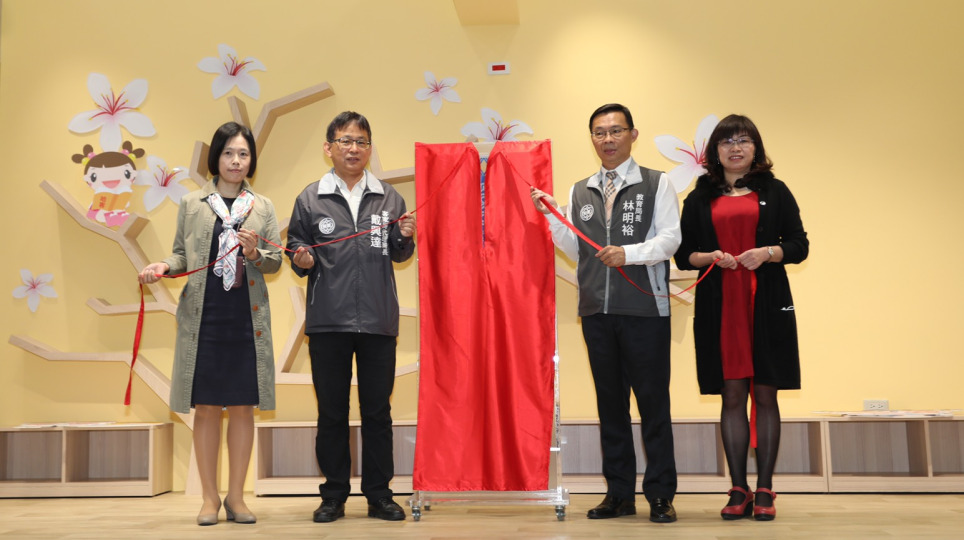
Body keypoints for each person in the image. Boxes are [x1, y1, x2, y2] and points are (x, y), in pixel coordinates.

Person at [530, 103, 680, 522]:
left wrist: (628, 254)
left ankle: (660, 495)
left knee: (653, 405)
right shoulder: (580, 190)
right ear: (592, 138)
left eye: (616, 131)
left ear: (633, 134)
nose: (608, 139)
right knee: (611, 407)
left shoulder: (657, 183)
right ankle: (619, 494)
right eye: (600, 132)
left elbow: (670, 239)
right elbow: (575, 248)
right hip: (597, 310)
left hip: (645, 309)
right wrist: (553, 216)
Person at [138, 122, 282, 526]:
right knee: (205, 409)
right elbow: (182, 255)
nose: (236, 161)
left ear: (252, 160)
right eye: (228, 153)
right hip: (204, 318)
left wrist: (255, 254)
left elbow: (274, 262)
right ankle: (208, 499)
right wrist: (163, 266)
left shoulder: (262, 206)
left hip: (246, 320)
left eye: (244, 154)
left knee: (242, 408)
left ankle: (236, 498)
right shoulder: (192, 203)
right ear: (215, 158)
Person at [674, 114, 808, 521]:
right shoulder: (699, 197)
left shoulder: (775, 191)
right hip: (721, 304)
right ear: (715, 151)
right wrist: (710, 256)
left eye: (744, 140)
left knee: (766, 393)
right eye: (727, 141)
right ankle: (738, 488)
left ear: (756, 148)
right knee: (731, 394)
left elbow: (799, 245)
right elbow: (684, 255)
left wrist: (767, 252)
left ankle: (765, 488)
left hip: (766, 302)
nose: (735, 147)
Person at [286, 111, 416, 523]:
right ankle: (333, 496)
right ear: (329, 148)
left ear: (369, 148)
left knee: (377, 413)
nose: (354, 148)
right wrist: (301, 258)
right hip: (328, 321)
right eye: (345, 141)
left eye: (361, 142)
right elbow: (295, 247)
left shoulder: (389, 198)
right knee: (332, 413)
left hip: (378, 320)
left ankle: (379, 495)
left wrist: (405, 237)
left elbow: (399, 254)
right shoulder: (310, 198)